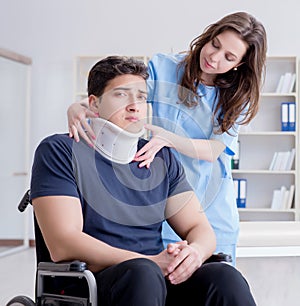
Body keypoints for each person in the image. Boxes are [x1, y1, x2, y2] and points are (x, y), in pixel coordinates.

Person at [31, 56, 257, 306]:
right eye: (121, 95)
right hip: (92, 282)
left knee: (224, 276)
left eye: (141, 97)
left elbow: (199, 228)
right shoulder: (59, 150)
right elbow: (63, 243)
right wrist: (148, 262)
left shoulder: (157, 156)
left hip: (153, 279)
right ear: (93, 104)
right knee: (142, 273)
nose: (134, 105)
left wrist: (194, 253)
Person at [67, 12, 267, 265]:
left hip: (210, 207)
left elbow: (216, 149)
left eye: (229, 57)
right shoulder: (164, 67)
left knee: (216, 282)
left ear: (240, 64)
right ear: (210, 35)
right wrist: (79, 106)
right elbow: (126, 94)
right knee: (162, 280)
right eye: (215, 45)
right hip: (160, 196)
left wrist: (169, 139)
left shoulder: (239, 95)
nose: (214, 58)